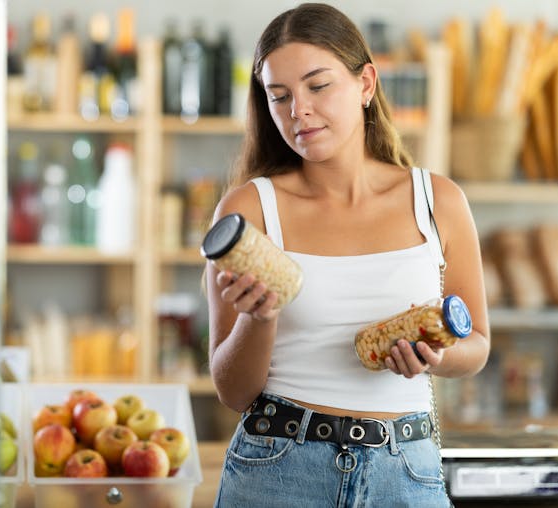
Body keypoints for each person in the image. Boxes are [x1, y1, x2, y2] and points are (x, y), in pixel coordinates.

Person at [205, 3, 490, 507]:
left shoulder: (437, 201)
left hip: (405, 472)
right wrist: (260, 318)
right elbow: (232, 392)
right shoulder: (250, 211)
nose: (299, 111)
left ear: (366, 84)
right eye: (280, 96)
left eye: (318, 86)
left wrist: (437, 357)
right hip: (278, 469)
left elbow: (478, 345)